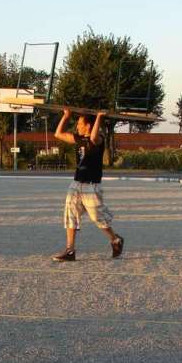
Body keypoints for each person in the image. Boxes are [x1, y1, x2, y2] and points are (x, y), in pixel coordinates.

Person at [52, 109, 124, 261]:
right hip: (77, 183)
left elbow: (93, 136)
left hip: (92, 186)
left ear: (89, 125)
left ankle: (115, 240)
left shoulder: (99, 140)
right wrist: (66, 116)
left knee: (98, 218)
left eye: (80, 124)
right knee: (70, 213)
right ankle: (70, 250)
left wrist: (98, 117)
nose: (77, 126)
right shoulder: (78, 138)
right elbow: (58, 134)